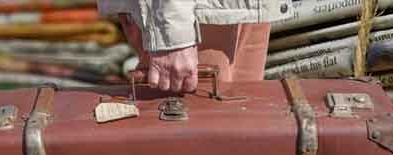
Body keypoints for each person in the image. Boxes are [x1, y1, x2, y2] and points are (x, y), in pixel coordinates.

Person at [98, 0, 290, 92]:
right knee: (196, 150)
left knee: (242, 144)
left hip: (247, 8)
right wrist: (171, 34)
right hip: (192, 15)